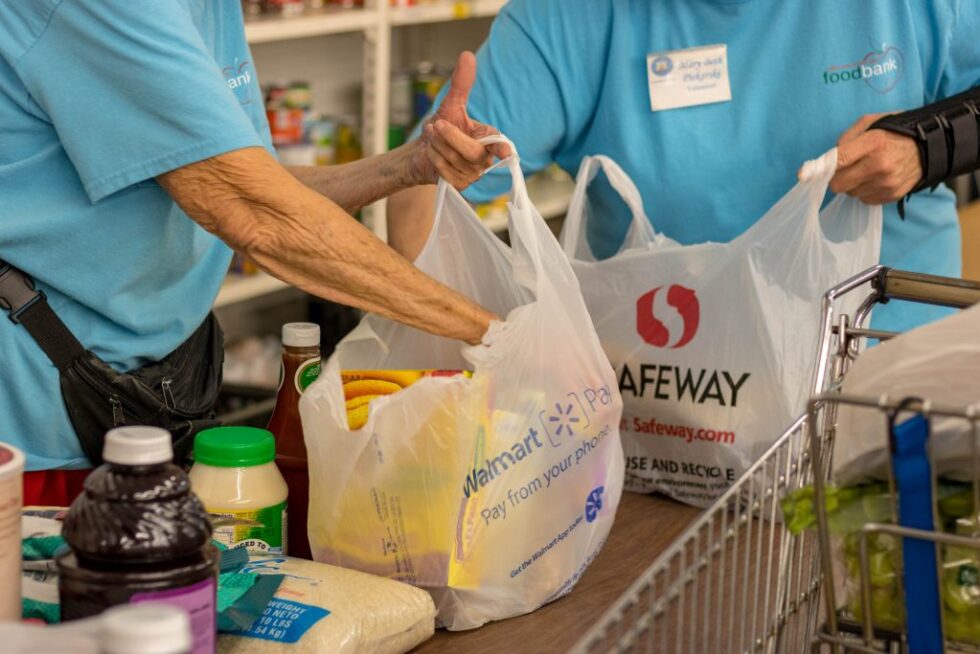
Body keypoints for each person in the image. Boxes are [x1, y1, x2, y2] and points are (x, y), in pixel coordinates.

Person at [0, 2, 504, 504]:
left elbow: (261, 184)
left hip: (154, 383)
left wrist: (408, 166)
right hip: (33, 412)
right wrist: (497, 337)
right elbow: (255, 214)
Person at [388, 0, 980, 334]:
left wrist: (927, 144)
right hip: (670, 405)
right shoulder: (574, 18)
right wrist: (467, 343)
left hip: (883, 374)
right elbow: (421, 193)